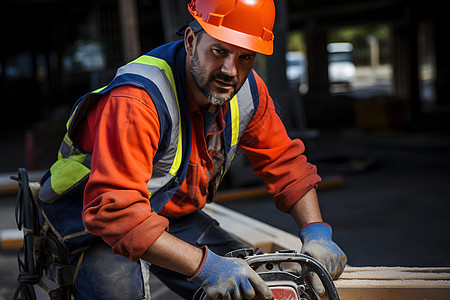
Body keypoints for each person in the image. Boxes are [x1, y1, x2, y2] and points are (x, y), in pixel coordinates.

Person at [38, 0, 347, 299]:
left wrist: (316, 231)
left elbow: (285, 163)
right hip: (94, 222)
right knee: (120, 293)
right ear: (190, 40)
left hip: (170, 213)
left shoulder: (249, 90)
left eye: (245, 57)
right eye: (219, 51)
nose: (231, 71)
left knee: (255, 287)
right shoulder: (136, 101)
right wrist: (206, 267)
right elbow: (116, 214)